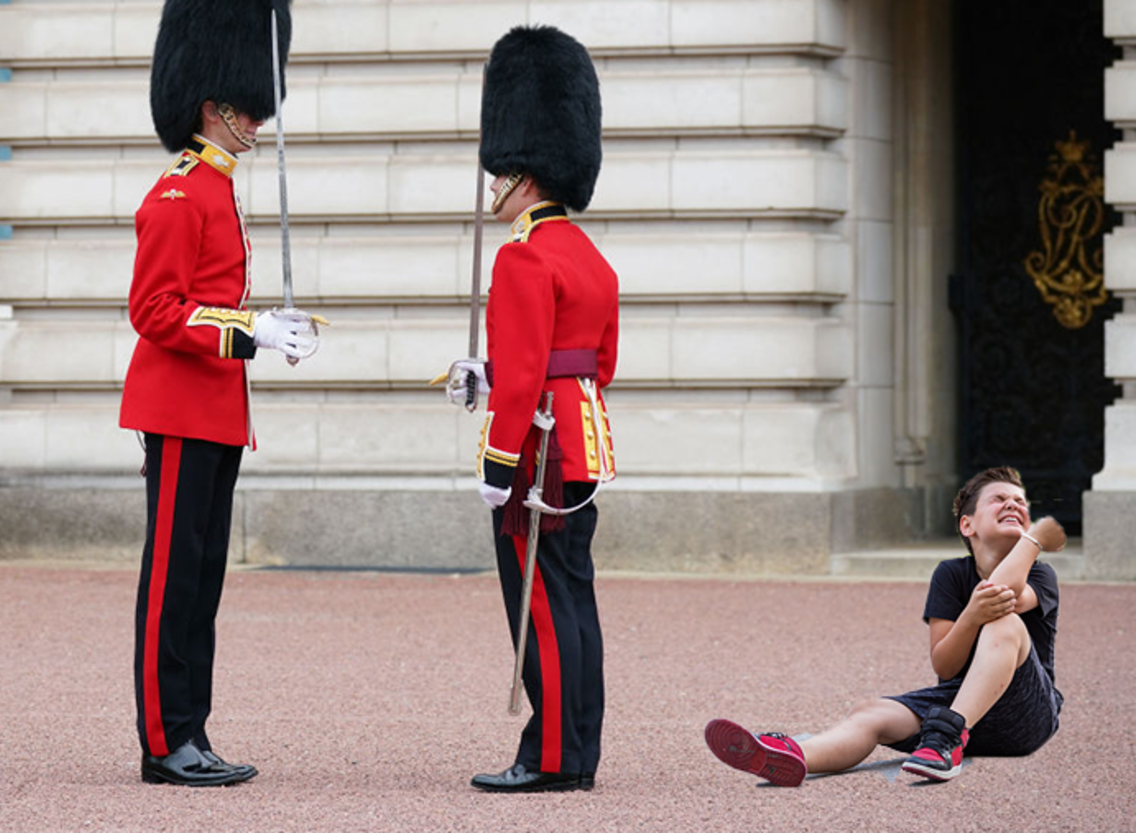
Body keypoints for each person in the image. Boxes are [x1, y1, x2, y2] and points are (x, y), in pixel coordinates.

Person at [121, 0, 316, 787]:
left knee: (201, 582)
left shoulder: (217, 187)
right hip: (176, 408)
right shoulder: (179, 193)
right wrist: (251, 332)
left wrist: (267, 325)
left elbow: (209, 301)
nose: (255, 123)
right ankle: (165, 740)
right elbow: (154, 311)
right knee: (172, 578)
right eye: (244, 110)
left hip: (215, 411)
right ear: (212, 106)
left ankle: (192, 729)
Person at [446, 25, 618, 794]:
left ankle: (547, 755)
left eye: (501, 175)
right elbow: (592, 362)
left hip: (537, 452)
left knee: (540, 602)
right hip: (582, 441)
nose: (495, 188)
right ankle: (578, 748)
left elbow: (520, 378)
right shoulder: (589, 255)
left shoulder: (522, 254)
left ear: (521, 174)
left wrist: (496, 459)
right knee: (572, 595)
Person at [705, 466, 1066, 785]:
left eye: (1021, 502)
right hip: (959, 708)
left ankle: (947, 739)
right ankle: (792, 754)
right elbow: (945, 666)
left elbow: (1002, 594)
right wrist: (969, 615)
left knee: (1003, 620)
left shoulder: (1041, 574)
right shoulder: (950, 574)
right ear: (966, 524)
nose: (1014, 505)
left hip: (1026, 714)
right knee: (870, 711)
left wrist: (1033, 542)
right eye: (999, 499)